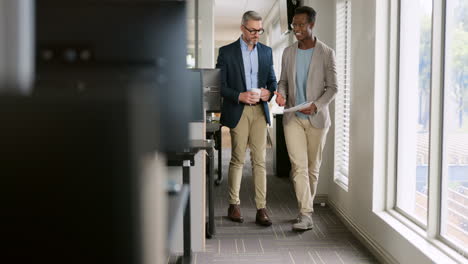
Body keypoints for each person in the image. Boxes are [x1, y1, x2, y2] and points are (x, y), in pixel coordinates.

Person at [275, 6, 337, 231]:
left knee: (313, 168)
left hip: (317, 119)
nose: (297, 28)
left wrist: (317, 105)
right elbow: (282, 81)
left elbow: (333, 88)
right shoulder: (288, 52)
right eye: (294, 24)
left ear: (312, 25)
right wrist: (281, 94)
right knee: (298, 166)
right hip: (293, 117)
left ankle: (305, 207)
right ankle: (305, 213)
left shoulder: (326, 53)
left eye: (301, 24)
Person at [216, 10, 277, 226]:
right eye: (252, 30)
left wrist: (269, 92)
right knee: (238, 158)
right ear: (242, 28)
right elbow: (219, 86)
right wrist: (239, 95)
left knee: (260, 161)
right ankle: (234, 204)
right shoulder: (226, 52)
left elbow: (272, 81)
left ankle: (262, 208)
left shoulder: (267, 52)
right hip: (238, 110)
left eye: (259, 30)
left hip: (260, 111)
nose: (256, 34)